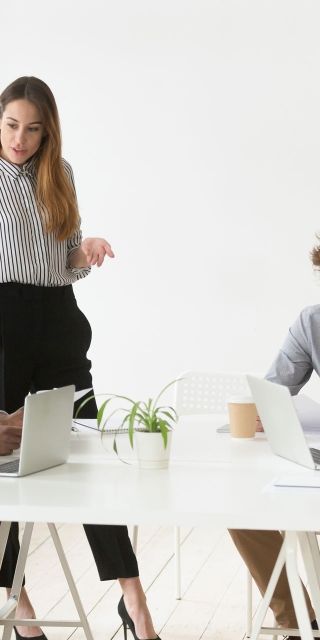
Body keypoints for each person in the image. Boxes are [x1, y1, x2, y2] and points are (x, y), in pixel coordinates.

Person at [0, 76, 160, 640]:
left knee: (89, 451)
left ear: (48, 132)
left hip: (59, 318)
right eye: (13, 125)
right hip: (2, 322)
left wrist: (85, 251)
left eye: (34, 129)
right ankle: (18, 605)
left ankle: (133, 599)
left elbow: (61, 259)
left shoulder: (59, 175)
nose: (21, 139)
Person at [229, 300, 320, 637]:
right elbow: (274, 390)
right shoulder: (312, 321)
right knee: (241, 511)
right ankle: (298, 623)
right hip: (315, 463)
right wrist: (267, 412)